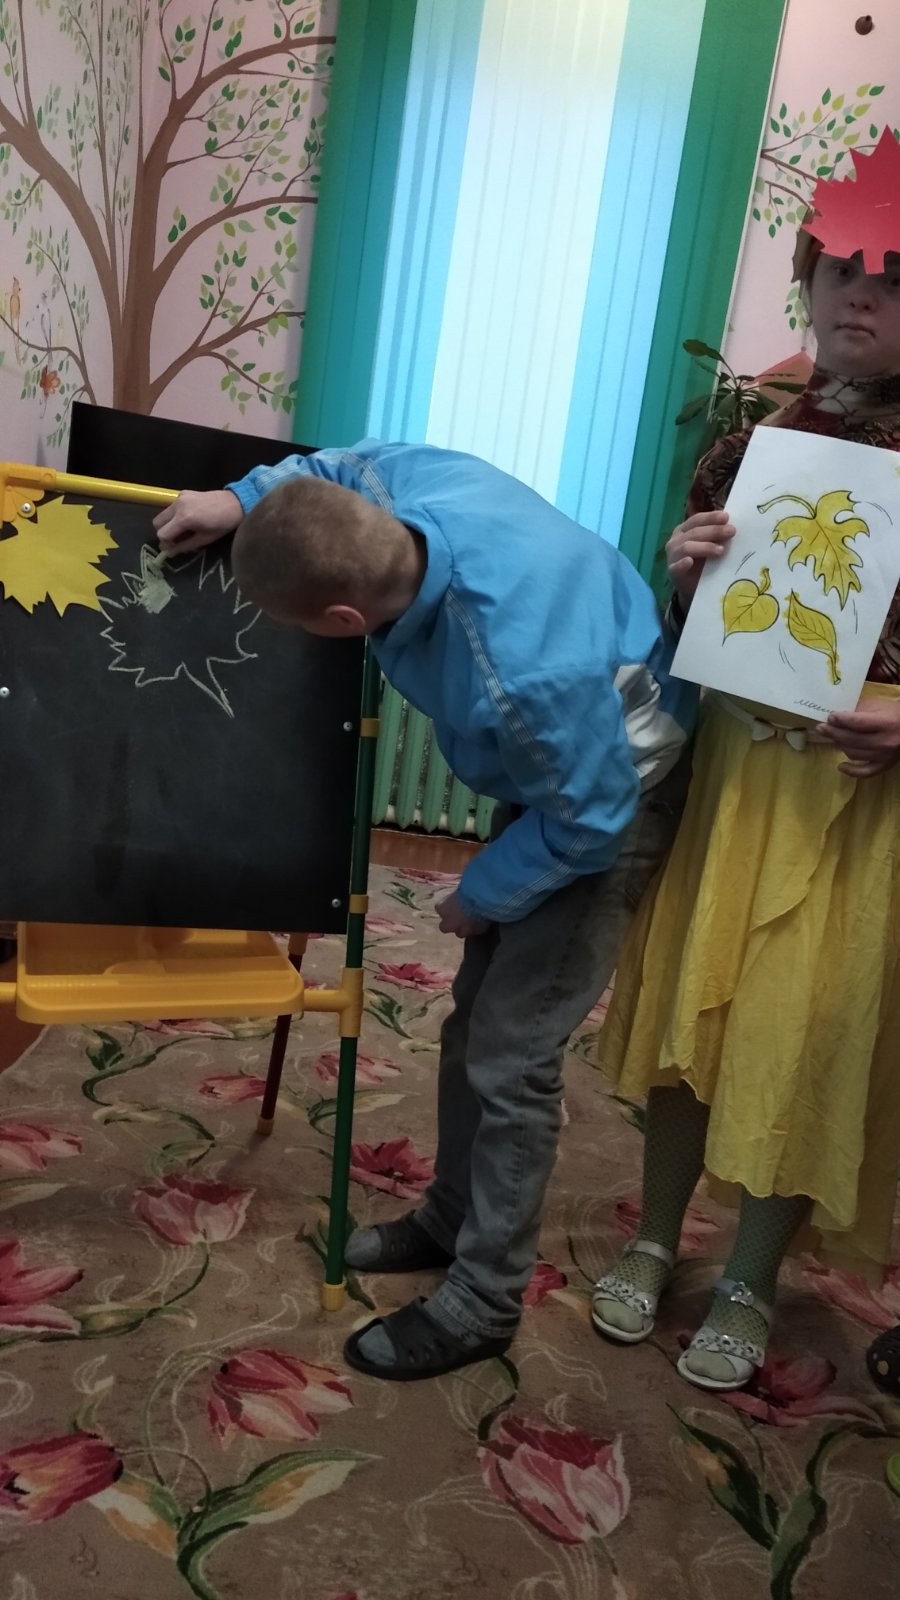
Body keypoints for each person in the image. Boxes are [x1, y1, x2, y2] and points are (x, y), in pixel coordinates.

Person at [153, 439, 694, 1381]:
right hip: (562, 763)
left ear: (345, 619)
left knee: (514, 1054)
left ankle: (486, 1300)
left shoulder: (515, 678)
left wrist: (482, 893)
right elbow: (345, 461)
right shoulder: (402, 488)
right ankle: (451, 1216)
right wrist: (238, 498)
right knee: (472, 1024)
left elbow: (590, 820)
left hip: (619, 779)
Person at [593, 130, 900, 1392]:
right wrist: (684, 575)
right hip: (738, 774)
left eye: (894, 281)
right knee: (695, 1004)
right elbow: (695, 634)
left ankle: (753, 1277)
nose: (860, 298)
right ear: (809, 279)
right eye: (841, 271)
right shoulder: (748, 442)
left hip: (855, 800)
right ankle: (657, 1233)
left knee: (803, 1028)